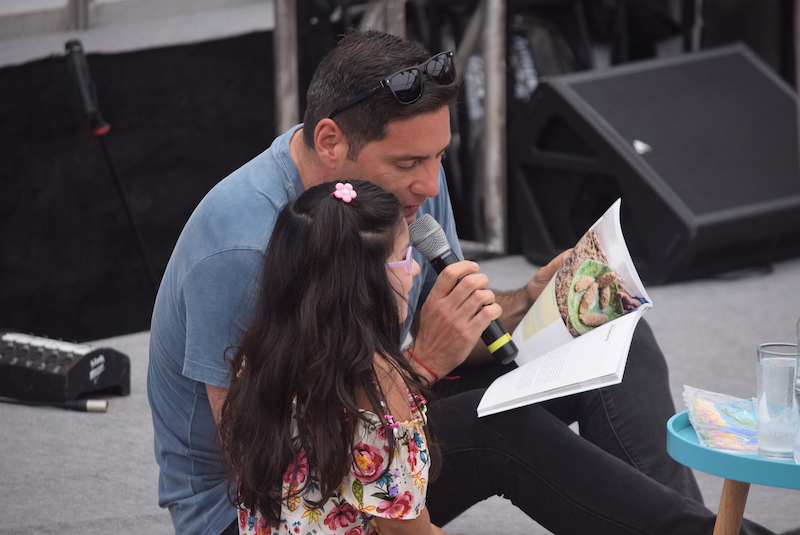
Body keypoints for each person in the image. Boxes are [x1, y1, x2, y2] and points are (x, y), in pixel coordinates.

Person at [148, 28, 782, 535]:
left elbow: (445, 329)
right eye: (409, 162)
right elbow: (261, 458)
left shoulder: (410, 184)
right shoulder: (242, 245)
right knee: (498, 430)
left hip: (383, 408)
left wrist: (529, 304)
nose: (430, 184)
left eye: (440, 157)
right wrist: (421, 365)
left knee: (607, 331)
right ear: (331, 141)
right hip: (270, 506)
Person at [218, 180, 456, 535]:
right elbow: (404, 530)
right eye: (406, 257)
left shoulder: (260, 360)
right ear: (365, 283)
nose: (416, 270)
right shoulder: (377, 381)